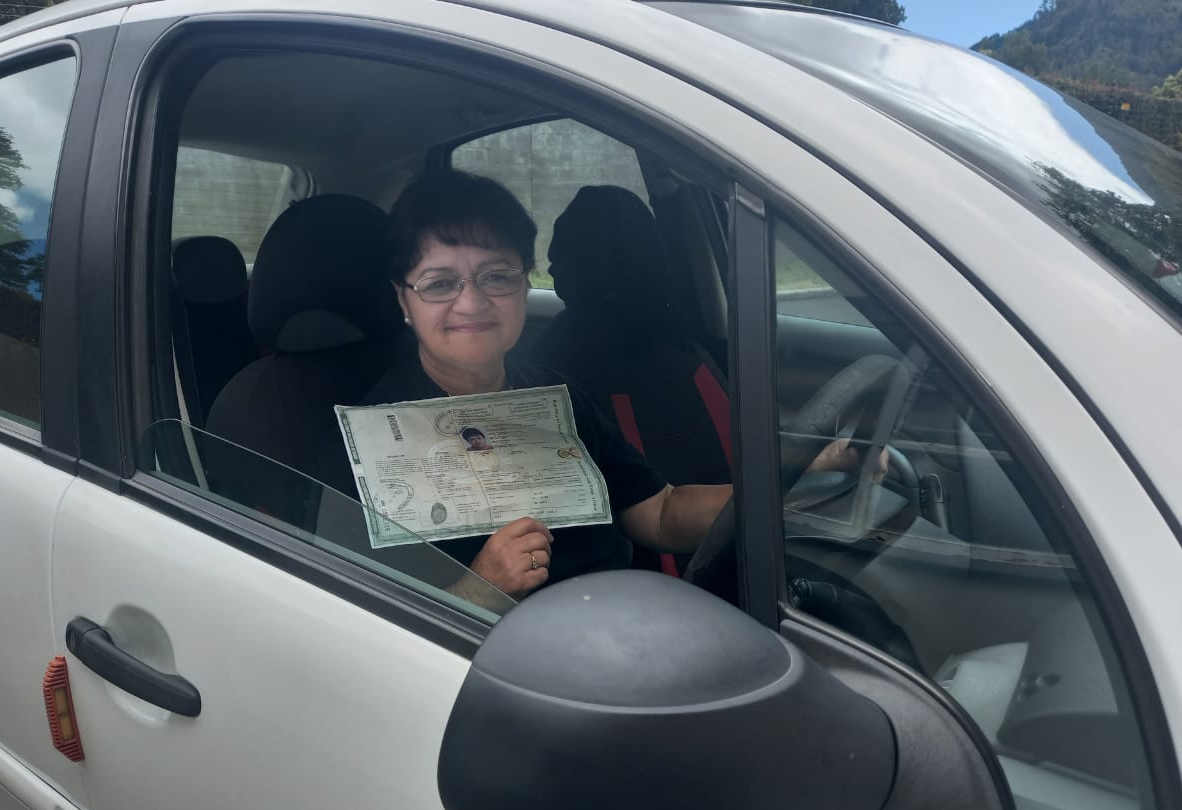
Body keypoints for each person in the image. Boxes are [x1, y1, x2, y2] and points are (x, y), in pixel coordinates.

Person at [365, 169, 857, 602]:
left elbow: (660, 512)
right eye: (439, 283)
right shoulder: (367, 445)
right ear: (403, 301)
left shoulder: (557, 396)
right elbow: (367, 628)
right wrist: (479, 590)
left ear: (524, 283)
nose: (472, 304)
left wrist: (785, 479)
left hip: (626, 623)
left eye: (496, 277)